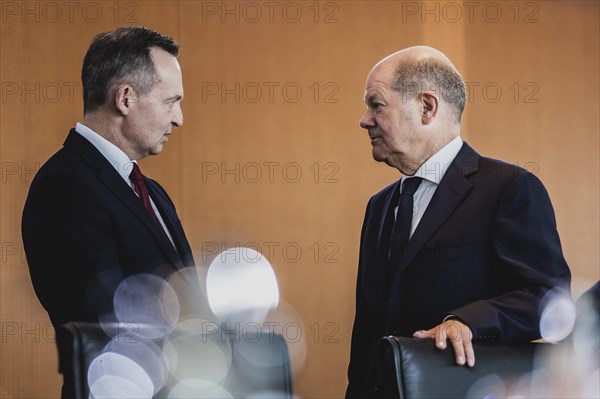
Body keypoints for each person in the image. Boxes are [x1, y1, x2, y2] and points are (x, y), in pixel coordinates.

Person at [346, 46, 571, 397]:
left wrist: (468, 321)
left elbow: (546, 298)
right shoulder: (379, 207)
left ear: (427, 107)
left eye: (377, 105)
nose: (364, 120)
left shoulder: (509, 189)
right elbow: (366, 336)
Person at [21, 26, 195, 330]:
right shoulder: (64, 186)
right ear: (125, 98)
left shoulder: (153, 193)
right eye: (171, 101)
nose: (178, 119)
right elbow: (101, 319)